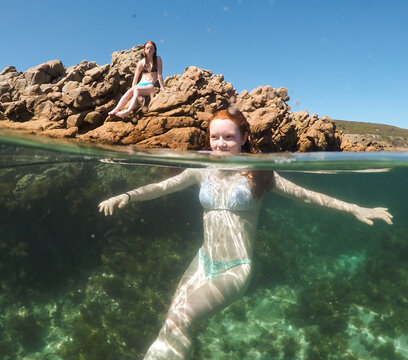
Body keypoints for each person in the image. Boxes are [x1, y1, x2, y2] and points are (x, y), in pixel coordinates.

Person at [98, 109, 393, 360]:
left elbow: (306, 196)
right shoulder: (202, 170)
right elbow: (164, 187)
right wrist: (128, 195)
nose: (221, 144)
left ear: (244, 138)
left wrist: (354, 208)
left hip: (235, 269)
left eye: (229, 137)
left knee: (181, 318)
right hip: (203, 260)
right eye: (215, 137)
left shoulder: (259, 172)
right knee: (171, 323)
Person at [108, 41, 167, 118]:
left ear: (155, 50)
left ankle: (127, 112)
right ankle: (115, 110)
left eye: (151, 48)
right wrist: (133, 87)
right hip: (140, 84)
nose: (149, 50)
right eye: (147, 48)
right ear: (144, 50)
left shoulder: (158, 59)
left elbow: (159, 75)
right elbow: (135, 78)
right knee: (129, 92)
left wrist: (163, 88)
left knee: (137, 90)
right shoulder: (141, 62)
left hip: (150, 85)